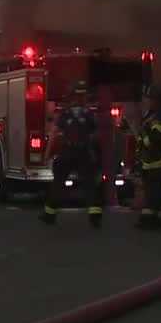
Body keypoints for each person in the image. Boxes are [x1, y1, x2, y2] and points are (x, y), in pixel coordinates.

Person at [41, 81, 104, 228]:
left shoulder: (65, 114)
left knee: (58, 183)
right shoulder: (89, 114)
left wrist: (47, 154)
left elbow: (54, 134)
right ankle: (95, 217)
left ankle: (49, 214)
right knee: (90, 184)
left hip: (68, 152)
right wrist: (95, 152)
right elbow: (97, 135)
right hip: (84, 152)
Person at [134, 85, 161, 230]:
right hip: (150, 161)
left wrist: (143, 135)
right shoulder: (152, 115)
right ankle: (157, 219)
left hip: (156, 162)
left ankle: (151, 220)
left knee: (154, 192)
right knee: (153, 191)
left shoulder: (160, 117)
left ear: (158, 100)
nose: (148, 102)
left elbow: (156, 141)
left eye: (150, 99)